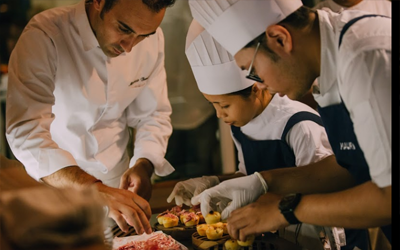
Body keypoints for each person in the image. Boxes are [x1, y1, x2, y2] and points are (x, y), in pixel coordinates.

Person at [188, 0, 391, 247]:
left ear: (280, 39)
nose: (259, 85)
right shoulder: (328, 67)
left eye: (252, 71)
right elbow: (348, 165)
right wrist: (263, 181)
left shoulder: (367, 59)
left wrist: (286, 210)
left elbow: (389, 197)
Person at [167, 19, 342, 250]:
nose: (219, 115)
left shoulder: (298, 125)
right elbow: (248, 176)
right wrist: (213, 183)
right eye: (213, 106)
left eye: (224, 105)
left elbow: (324, 184)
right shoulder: (240, 125)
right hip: (273, 236)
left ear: (255, 89)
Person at [5, 0, 176, 235]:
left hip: (120, 191)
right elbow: (26, 131)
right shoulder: (45, 36)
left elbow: (153, 115)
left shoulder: (152, 39)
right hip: (55, 191)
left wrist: (144, 163)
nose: (130, 47)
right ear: (98, 2)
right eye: (124, 29)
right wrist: (94, 189)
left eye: (143, 36)